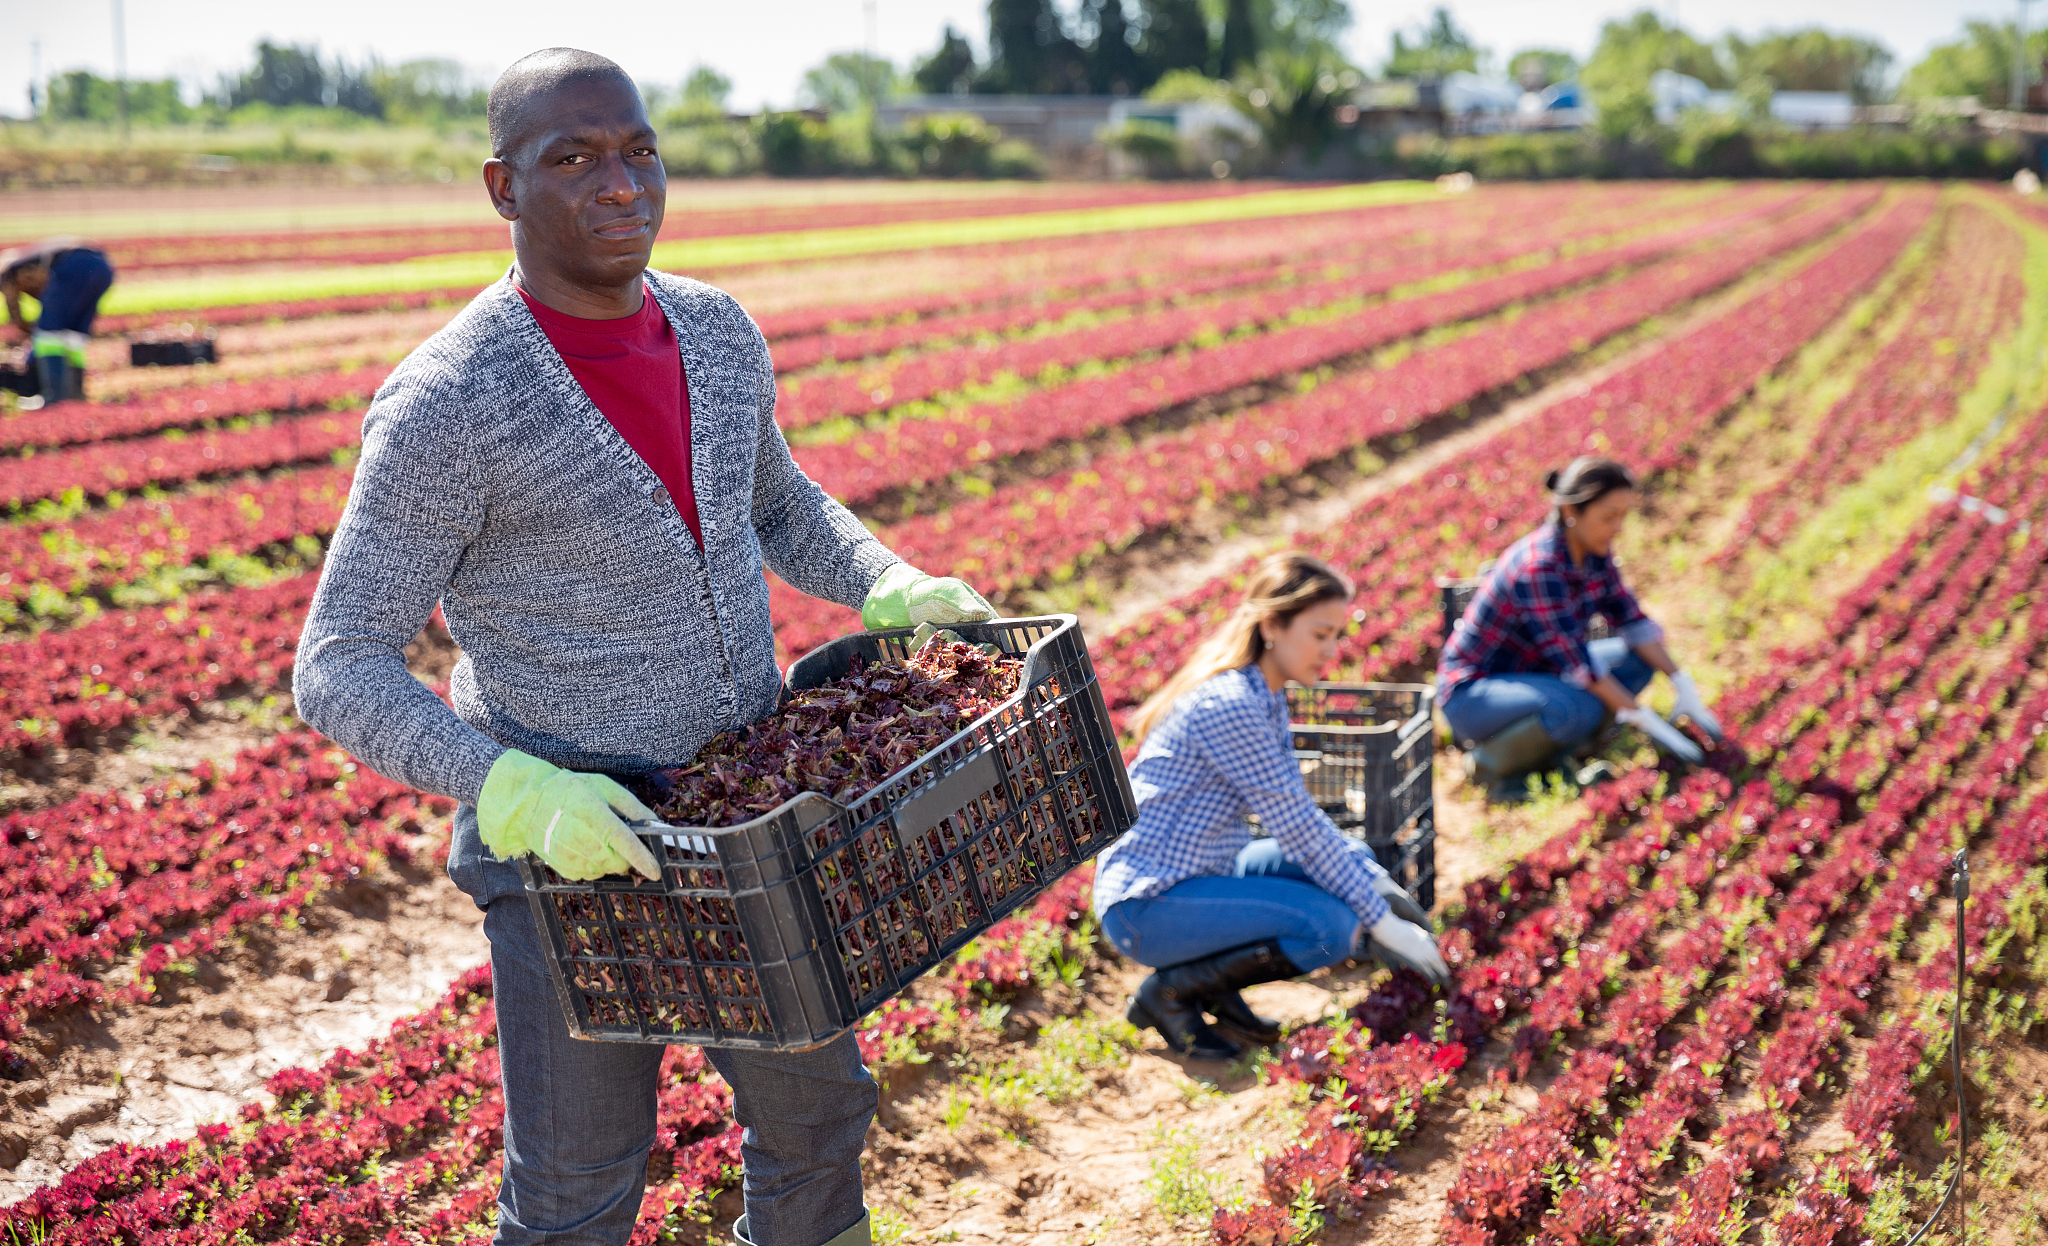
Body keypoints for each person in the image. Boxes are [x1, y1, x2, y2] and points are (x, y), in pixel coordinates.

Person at [293, 49, 996, 1246]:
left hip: (750, 820)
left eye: (637, 150)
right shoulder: (450, 403)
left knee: (819, 1124)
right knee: (576, 1194)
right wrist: (507, 783)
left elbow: (776, 506)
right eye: (570, 159)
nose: (620, 185)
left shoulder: (716, 332)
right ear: (502, 188)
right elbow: (338, 657)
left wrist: (886, 579)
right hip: (572, 848)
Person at [1090, 551, 1450, 1063]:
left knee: (1344, 865)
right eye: (1320, 633)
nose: (1332, 649)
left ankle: (1208, 983)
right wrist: (1380, 920)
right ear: (1272, 625)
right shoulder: (1232, 705)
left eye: (1336, 634)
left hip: (1202, 868)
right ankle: (1170, 993)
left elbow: (1301, 825)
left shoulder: (1264, 693)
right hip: (1149, 903)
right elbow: (1296, 827)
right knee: (1333, 927)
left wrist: (1368, 880)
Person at [1436, 456, 1722, 802]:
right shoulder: (1539, 567)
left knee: (1634, 661)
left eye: (1622, 515)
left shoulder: (1593, 552)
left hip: (1540, 675)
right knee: (1577, 707)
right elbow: (1580, 665)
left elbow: (1633, 622)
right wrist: (1644, 719)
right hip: (1475, 692)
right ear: (1572, 512)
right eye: (1608, 516)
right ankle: (1490, 765)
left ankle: (1563, 743)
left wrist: (1680, 681)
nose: (1617, 526)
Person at [1, 236, 115, 404]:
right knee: (74, 335)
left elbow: (17, 315)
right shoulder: (24, 259)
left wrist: (34, 332)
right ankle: (75, 395)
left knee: (49, 334)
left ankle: (54, 398)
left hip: (73, 266)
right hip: (103, 266)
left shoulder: (7, 271)